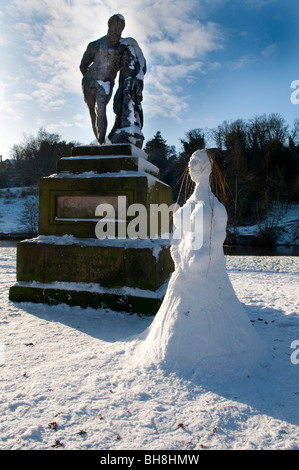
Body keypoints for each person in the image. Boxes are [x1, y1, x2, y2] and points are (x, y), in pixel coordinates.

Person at [79, 14, 126, 144]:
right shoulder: (95, 45)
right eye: (114, 26)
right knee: (92, 112)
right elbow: (83, 65)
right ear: (109, 25)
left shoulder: (122, 47)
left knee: (101, 108)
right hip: (89, 81)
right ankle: (99, 143)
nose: (116, 30)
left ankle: (101, 141)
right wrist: (90, 79)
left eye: (120, 27)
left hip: (106, 83)